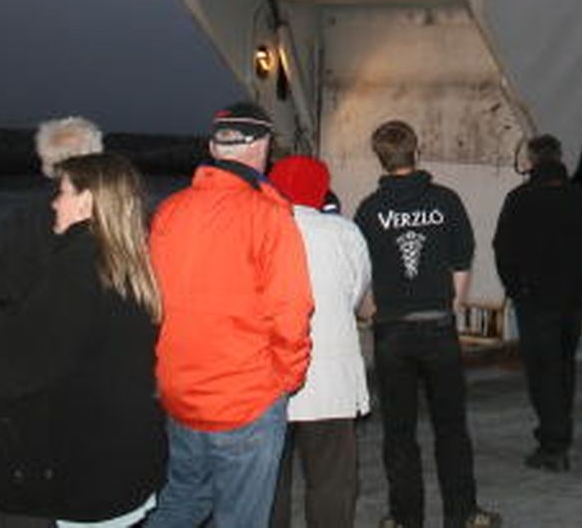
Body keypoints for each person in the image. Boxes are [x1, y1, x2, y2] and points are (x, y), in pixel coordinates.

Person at [0, 153, 166, 527]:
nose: (54, 203)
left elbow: (13, 370)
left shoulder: (78, 269)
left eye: (62, 192)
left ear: (87, 200)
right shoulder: (131, 266)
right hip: (125, 464)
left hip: (83, 474)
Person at [148, 103, 314, 528]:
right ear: (261, 146)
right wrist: (285, 379)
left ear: (213, 147)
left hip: (181, 394)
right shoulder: (269, 215)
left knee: (181, 501)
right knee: (240, 518)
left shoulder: (170, 211)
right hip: (245, 398)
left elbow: (152, 302)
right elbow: (291, 309)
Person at [354, 120, 501, 528]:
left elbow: (361, 275)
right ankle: (463, 514)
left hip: (392, 333)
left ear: (380, 157)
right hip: (438, 327)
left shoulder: (369, 210)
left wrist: (373, 313)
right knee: (451, 428)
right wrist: (449, 307)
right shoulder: (446, 201)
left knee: (399, 433)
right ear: (416, 151)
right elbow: (461, 262)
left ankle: (405, 518)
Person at [267, 154, 373, 528]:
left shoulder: (259, 228)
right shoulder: (345, 233)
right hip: (331, 378)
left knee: (268, 487)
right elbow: (357, 295)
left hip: (269, 379)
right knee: (332, 483)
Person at [492, 133, 582, 472]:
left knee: (543, 370)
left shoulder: (520, 198)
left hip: (535, 299)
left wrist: (516, 289)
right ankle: (560, 428)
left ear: (532, 160)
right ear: (559, 157)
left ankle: (553, 442)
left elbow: (504, 249)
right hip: (573, 299)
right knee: (564, 365)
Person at [0, 115, 104, 315]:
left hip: (27, 325)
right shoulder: (115, 212)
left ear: (46, 159)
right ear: (96, 155)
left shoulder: (23, 218)